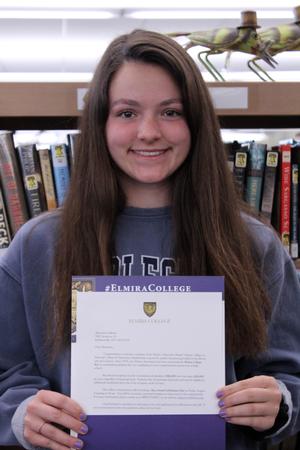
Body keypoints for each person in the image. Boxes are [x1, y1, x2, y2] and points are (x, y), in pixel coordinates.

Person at [0, 28, 300, 450]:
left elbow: (289, 376)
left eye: (171, 112)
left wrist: (279, 405)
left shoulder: (254, 245)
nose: (148, 131)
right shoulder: (36, 246)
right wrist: (23, 413)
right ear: (101, 122)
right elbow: (7, 374)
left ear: (196, 122)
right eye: (126, 113)